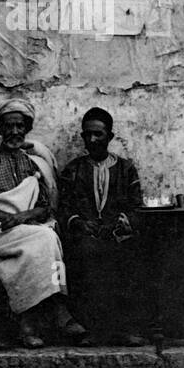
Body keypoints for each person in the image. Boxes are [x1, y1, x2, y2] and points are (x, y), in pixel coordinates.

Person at [0, 98, 88, 347]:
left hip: (25, 227)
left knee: (45, 240)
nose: (14, 132)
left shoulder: (33, 162)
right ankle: (59, 310)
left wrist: (22, 217)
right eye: (9, 126)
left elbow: (45, 205)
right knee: (46, 239)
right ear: (0, 129)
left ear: (27, 128)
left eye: (19, 126)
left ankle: (28, 323)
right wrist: (8, 219)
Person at [59, 107, 148, 345]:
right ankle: (93, 330)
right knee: (86, 256)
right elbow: (64, 207)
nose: (92, 140)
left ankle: (125, 328)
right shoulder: (73, 170)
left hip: (116, 234)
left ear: (110, 136)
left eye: (98, 134)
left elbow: (136, 206)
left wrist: (121, 223)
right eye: (87, 135)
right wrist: (78, 222)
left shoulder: (125, 169)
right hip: (86, 235)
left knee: (128, 256)